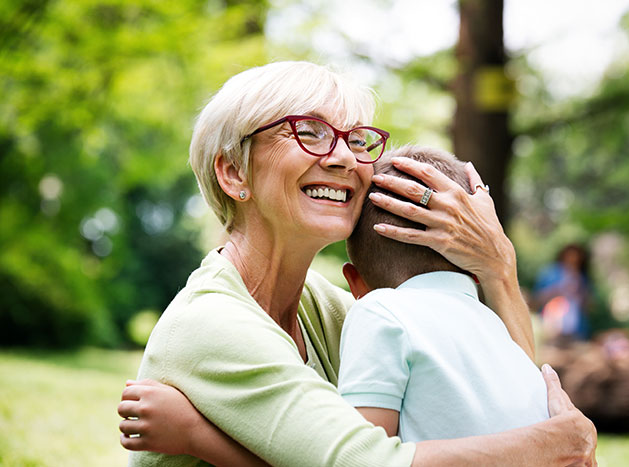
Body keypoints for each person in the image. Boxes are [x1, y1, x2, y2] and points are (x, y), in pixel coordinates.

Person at [117, 61, 597, 466]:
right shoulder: (211, 324)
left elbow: (497, 395)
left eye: (356, 139)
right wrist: (557, 442)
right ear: (233, 171)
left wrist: (498, 266)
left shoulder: (335, 308)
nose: (345, 157)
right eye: (310, 133)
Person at [338, 145, 549, 441]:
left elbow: (362, 453)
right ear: (476, 266)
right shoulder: (505, 333)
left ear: (355, 283)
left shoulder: (379, 313)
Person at [534, 244, 593, 341]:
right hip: (552, 327)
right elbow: (537, 298)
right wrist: (558, 290)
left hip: (576, 331)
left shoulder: (582, 278)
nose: (573, 260)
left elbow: (589, 305)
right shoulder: (550, 273)